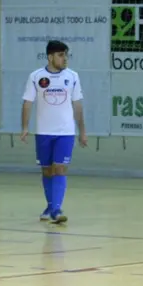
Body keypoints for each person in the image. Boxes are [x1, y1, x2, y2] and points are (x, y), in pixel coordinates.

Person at [20, 40, 87, 224]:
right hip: (43, 131)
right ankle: (50, 206)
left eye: (66, 55)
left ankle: (57, 210)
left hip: (65, 132)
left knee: (60, 168)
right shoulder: (36, 76)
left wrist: (82, 131)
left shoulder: (72, 76)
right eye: (60, 55)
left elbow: (77, 105)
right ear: (50, 57)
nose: (65, 58)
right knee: (47, 169)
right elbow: (27, 103)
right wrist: (25, 127)